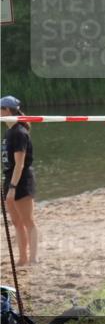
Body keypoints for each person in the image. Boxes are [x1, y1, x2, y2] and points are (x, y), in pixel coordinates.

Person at [2, 96, 39, 267]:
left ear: (7, 110)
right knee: (16, 222)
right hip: (10, 178)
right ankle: (22, 258)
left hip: (21, 181)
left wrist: (12, 187)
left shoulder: (19, 132)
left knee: (28, 220)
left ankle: (33, 258)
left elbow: (20, 164)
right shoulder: (9, 131)